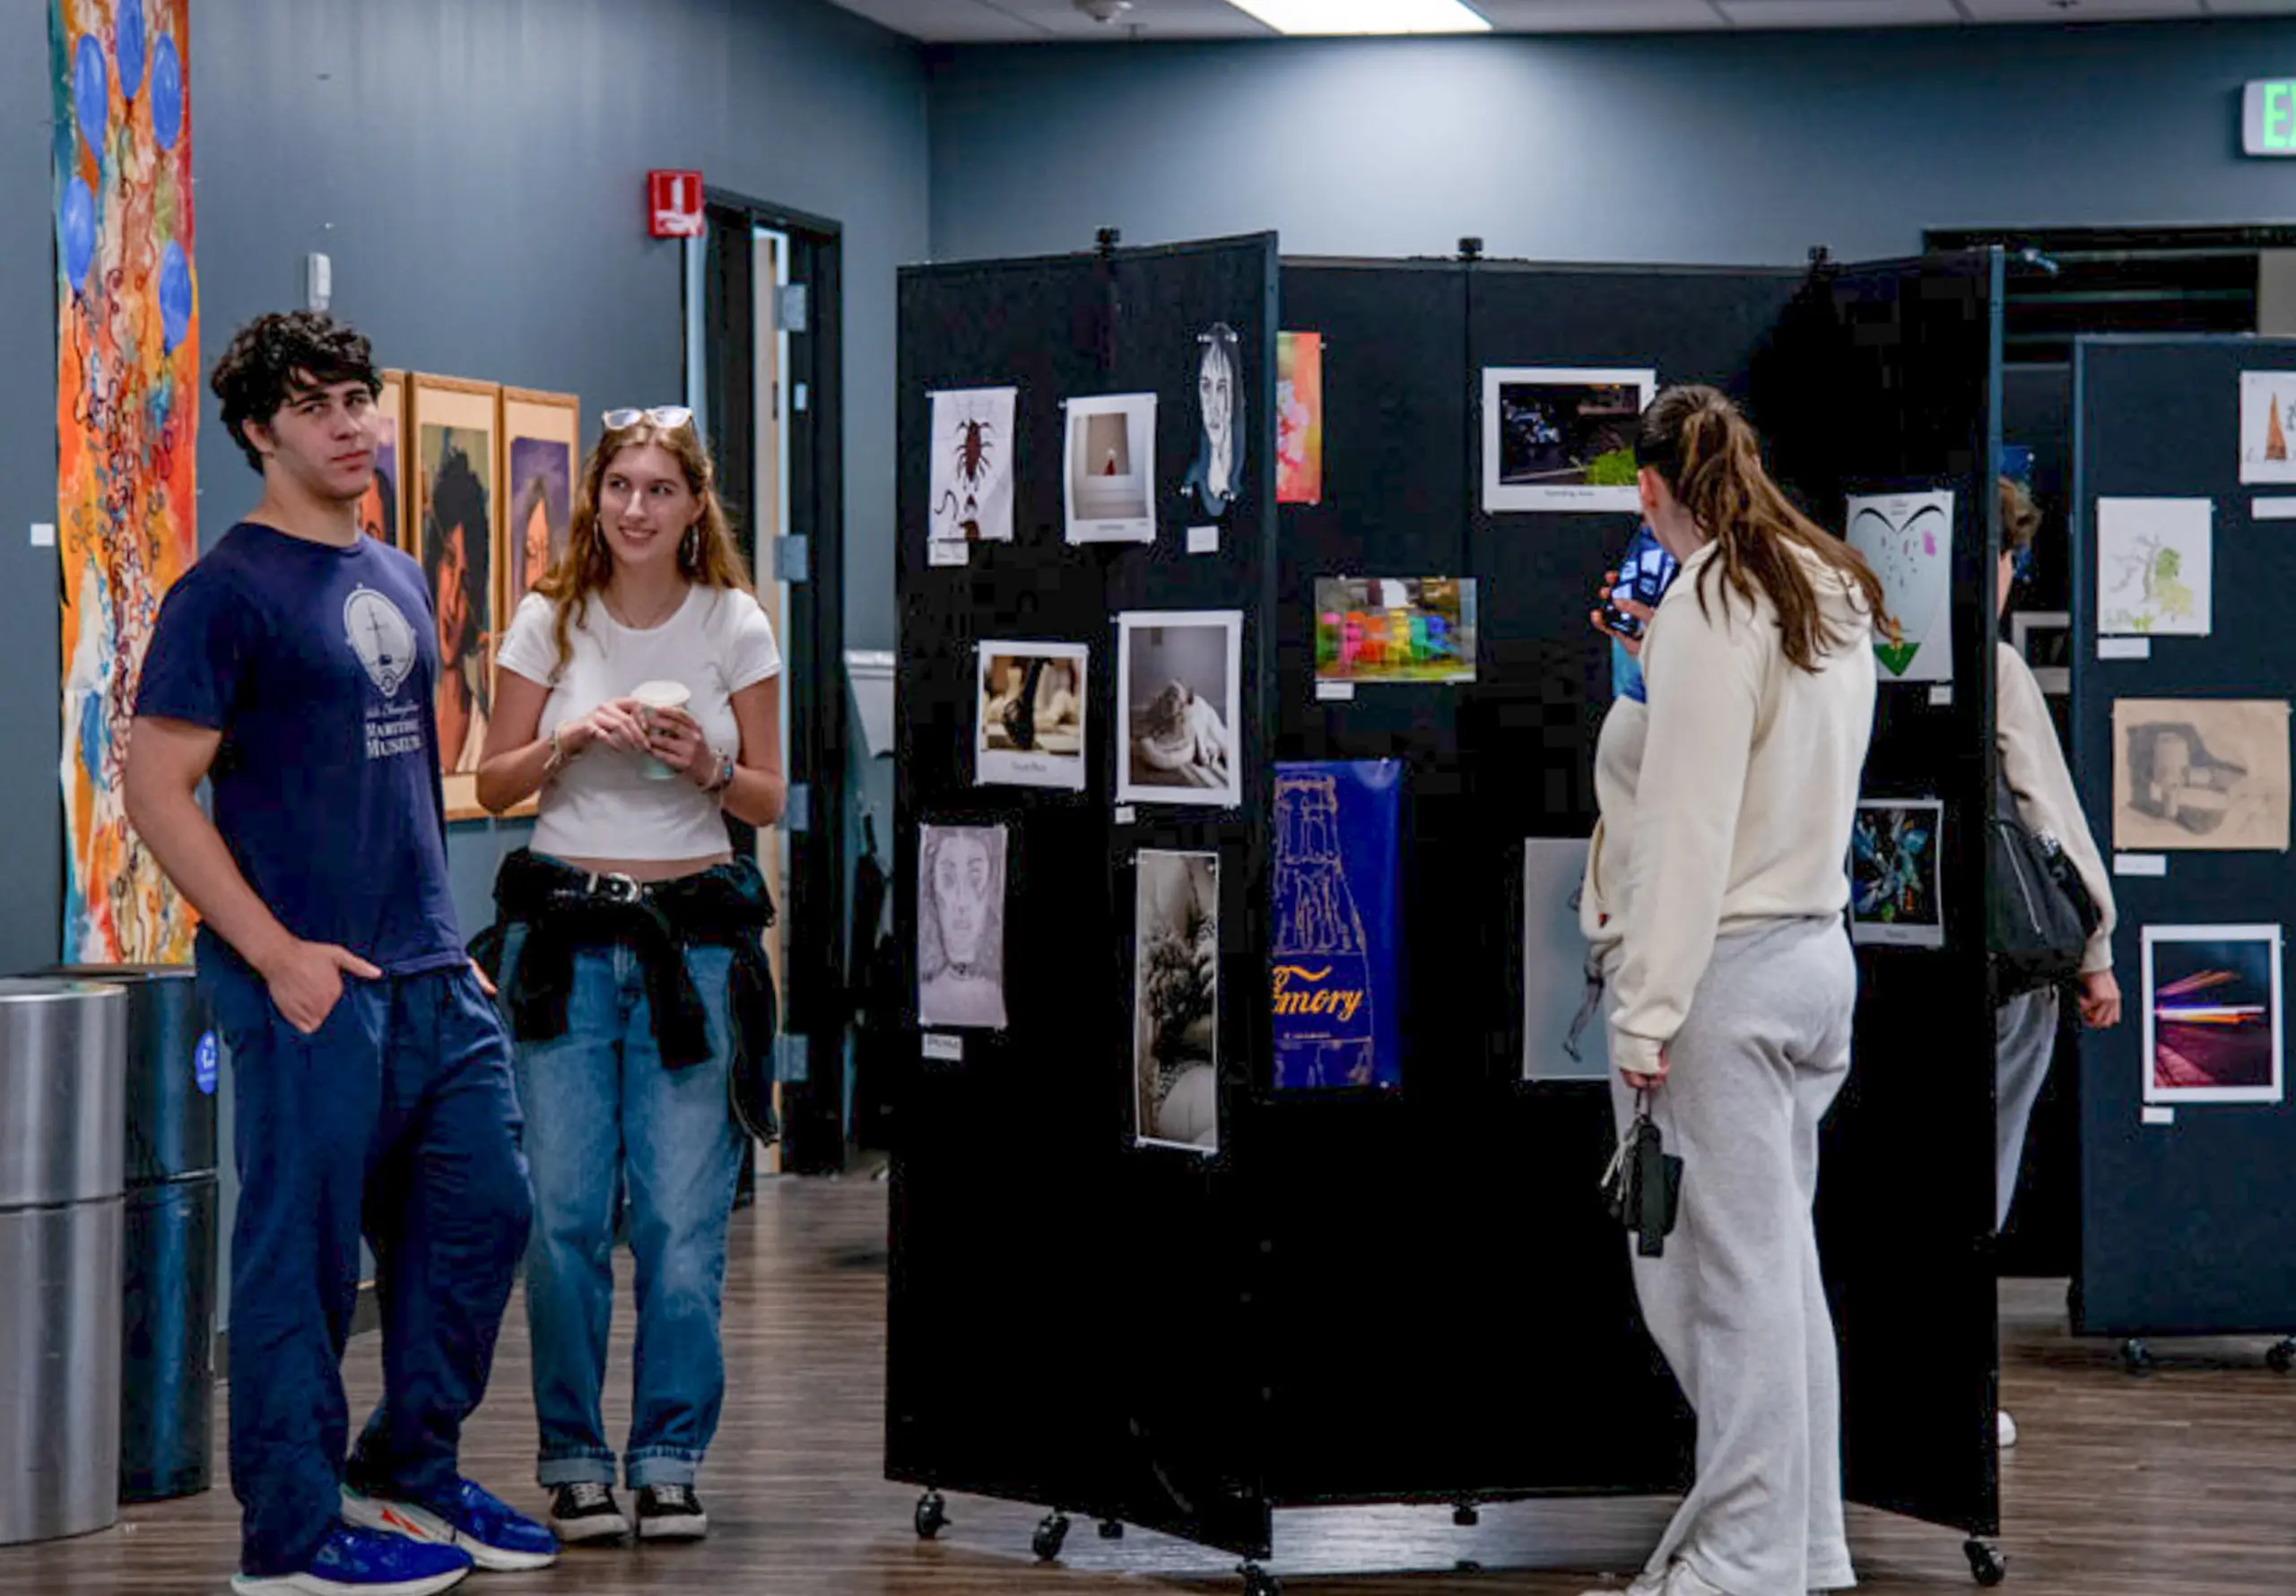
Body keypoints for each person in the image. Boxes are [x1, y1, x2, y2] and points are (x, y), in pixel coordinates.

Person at [123, 311, 552, 1596]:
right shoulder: (227, 592)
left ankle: (409, 1472)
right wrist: (275, 953)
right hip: (303, 985)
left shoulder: (402, 575)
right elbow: (154, 793)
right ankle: (292, 1534)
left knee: (485, 1217)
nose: (351, 422)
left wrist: (444, 941)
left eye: (358, 396)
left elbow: (404, 780)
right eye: (316, 405)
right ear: (260, 432)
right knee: (301, 1260)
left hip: (428, 975)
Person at [1579, 385, 1883, 1596]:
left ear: (1653, 489)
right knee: (1775, 1274)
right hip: (1813, 958)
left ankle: (1748, 1560)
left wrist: (1647, 1011)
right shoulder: (1830, 584)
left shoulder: (1708, 605)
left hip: (1728, 976)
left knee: (1719, 1289)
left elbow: (1688, 832)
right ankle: (1801, 1542)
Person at [472, 404, 787, 1545]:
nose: (638, 508)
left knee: (679, 1219)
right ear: (594, 498)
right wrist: (567, 741)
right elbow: (495, 784)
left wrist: (709, 763)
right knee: (561, 1214)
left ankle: (665, 1455)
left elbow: (768, 798)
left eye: (661, 489)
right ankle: (572, 1456)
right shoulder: (546, 622)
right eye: (620, 488)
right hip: (561, 942)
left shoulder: (734, 623)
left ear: (696, 506)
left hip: (691, 947)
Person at [1992, 475, 2120, 1447]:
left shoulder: (1845, 658)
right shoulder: (1995, 671)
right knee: (1979, 1179)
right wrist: (2096, 950)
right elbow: (2049, 816)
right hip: (2003, 969)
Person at [422, 437, 492, 772]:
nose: (451, 604)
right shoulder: (404, 714)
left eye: (465, 582)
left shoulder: (485, 734)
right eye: (449, 562)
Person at [916, 825, 1008, 1029]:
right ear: (932, 890)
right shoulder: (926, 998)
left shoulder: (994, 997)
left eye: (976, 879)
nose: (962, 902)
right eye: (948, 879)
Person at [1181, 322, 1244, 516]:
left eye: (1222, 388)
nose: (1213, 405)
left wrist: (1187, 485)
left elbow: (1196, 471)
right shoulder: (1230, 467)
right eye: (1206, 387)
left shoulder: (1215, 467)